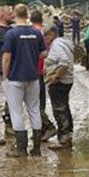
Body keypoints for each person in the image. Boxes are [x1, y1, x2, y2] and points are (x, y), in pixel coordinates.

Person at [0, 3, 47, 157]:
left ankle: (21, 149)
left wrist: (5, 76)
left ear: (14, 14)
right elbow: (43, 54)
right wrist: (31, 55)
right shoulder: (37, 33)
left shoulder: (11, 34)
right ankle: (37, 148)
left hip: (15, 77)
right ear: (27, 14)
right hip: (33, 77)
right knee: (34, 110)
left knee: (16, 112)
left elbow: (6, 57)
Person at [43, 27, 76, 149]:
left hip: (60, 82)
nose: (44, 41)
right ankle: (68, 134)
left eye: (45, 38)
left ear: (51, 35)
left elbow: (64, 62)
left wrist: (56, 76)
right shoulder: (64, 43)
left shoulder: (56, 45)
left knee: (59, 110)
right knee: (64, 107)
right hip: (67, 81)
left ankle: (64, 139)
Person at [29, 9, 56, 141]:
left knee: (34, 104)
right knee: (40, 102)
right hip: (43, 70)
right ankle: (39, 131)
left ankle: (47, 127)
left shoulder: (32, 34)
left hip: (34, 70)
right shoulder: (44, 33)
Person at [0, 7, 14, 134]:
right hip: (6, 66)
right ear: (2, 16)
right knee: (11, 94)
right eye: (9, 13)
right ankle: (9, 121)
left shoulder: (12, 30)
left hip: (15, 65)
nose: (12, 15)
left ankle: (11, 119)